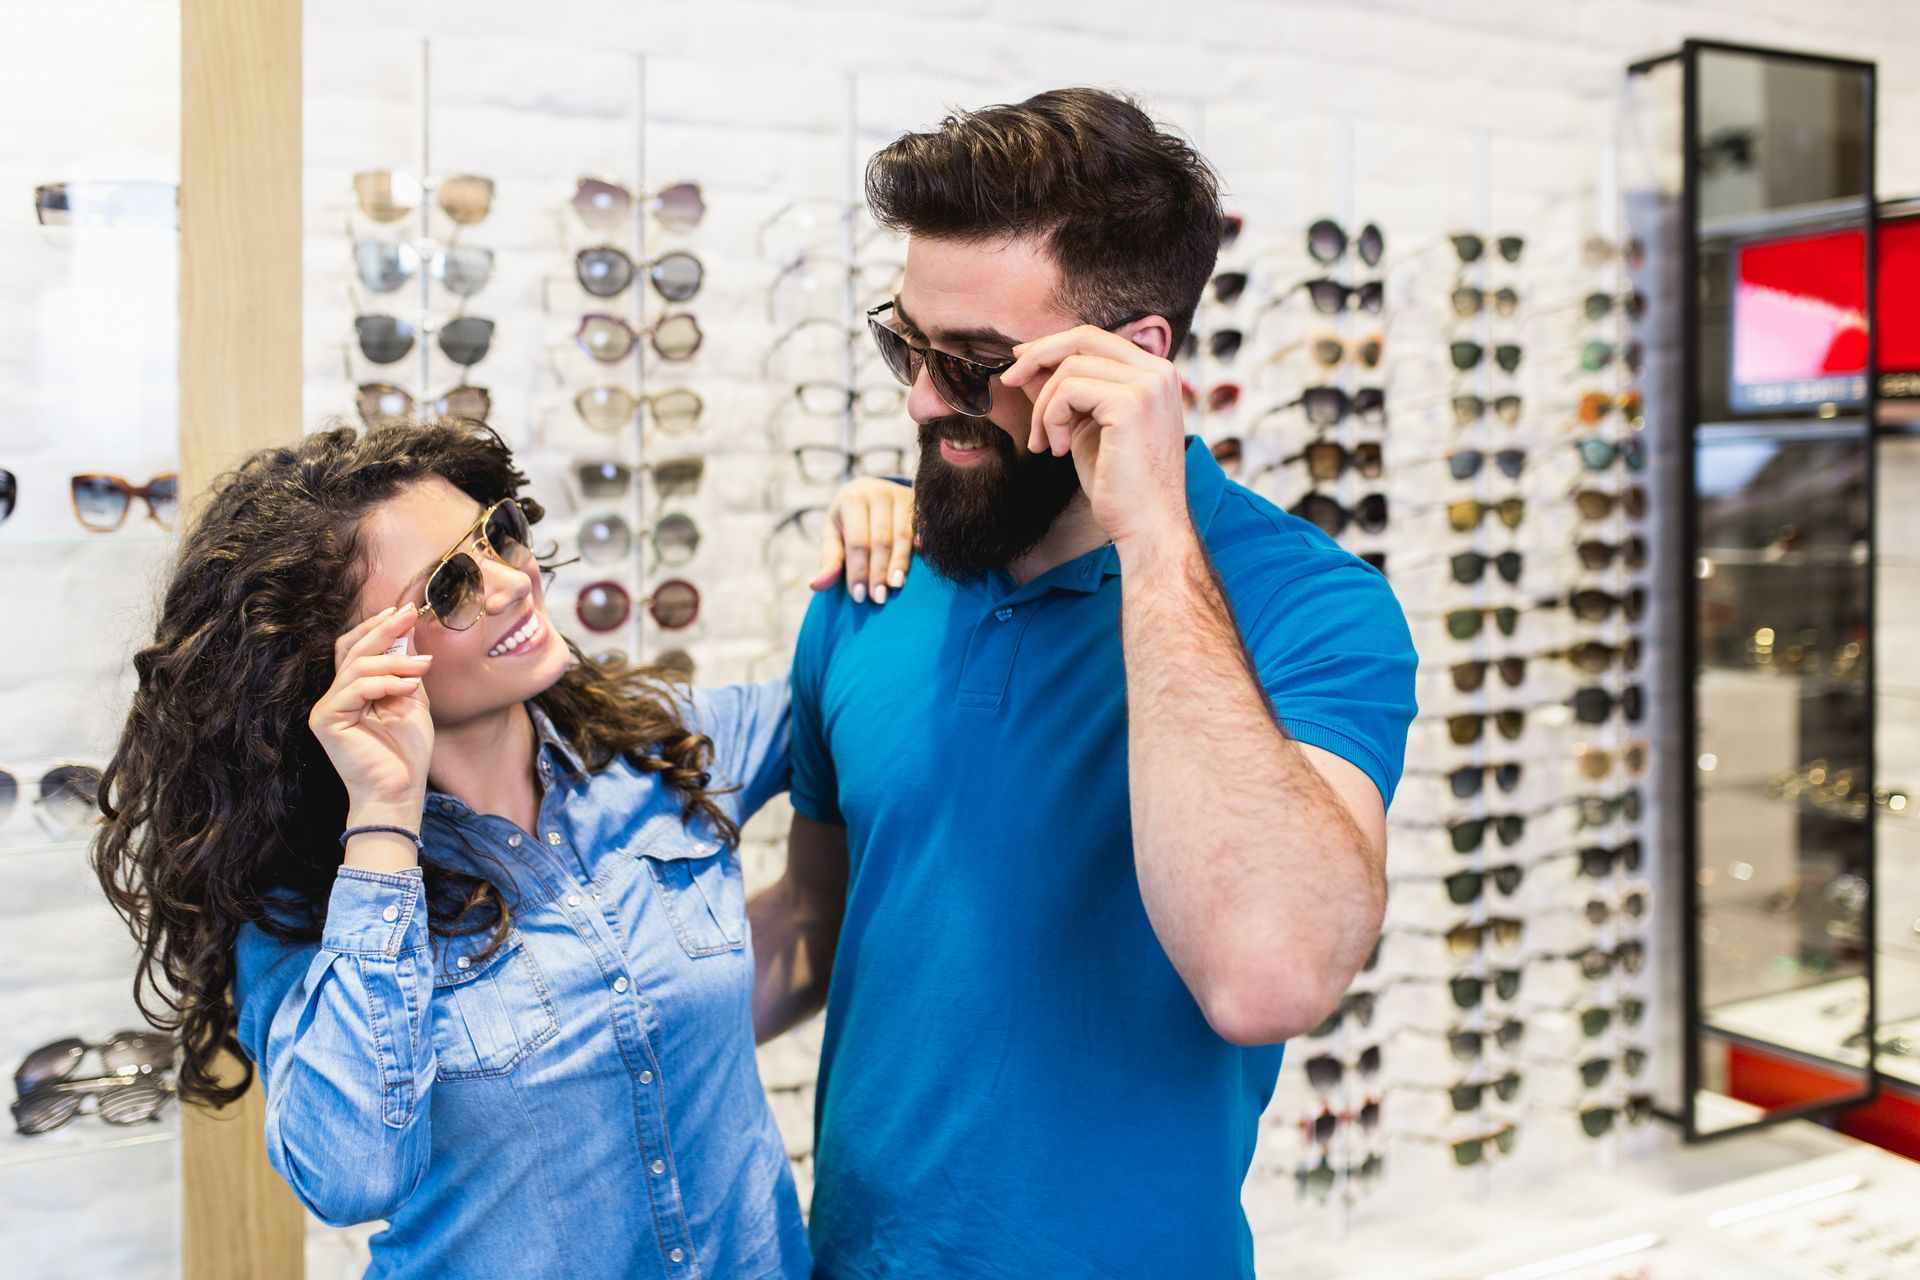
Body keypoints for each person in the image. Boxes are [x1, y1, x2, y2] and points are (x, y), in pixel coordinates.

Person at [749, 88, 1419, 1279]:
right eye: (906, 344)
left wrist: (1154, 534)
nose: (917, 399)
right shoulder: (871, 579)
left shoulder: (1310, 606)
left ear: (1134, 359)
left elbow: (1270, 972)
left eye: (970, 365)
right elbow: (817, 922)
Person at [90, 419, 914, 1280]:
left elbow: (854, 697)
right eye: (448, 589)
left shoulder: (659, 755)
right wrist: (384, 817)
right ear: (338, 671)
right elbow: (352, 1175)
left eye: (497, 536)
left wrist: (892, 515)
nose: (511, 583)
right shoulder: (310, 902)